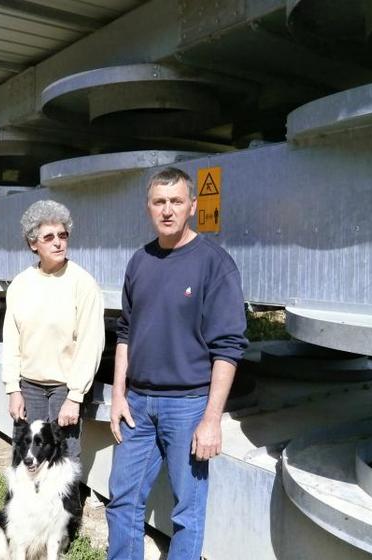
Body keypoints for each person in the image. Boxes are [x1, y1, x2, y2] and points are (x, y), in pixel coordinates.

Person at [106, 167, 248, 559]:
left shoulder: (214, 264)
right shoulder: (139, 262)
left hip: (188, 407)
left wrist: (211, 419)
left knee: (187, 512)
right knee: (122, 502)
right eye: (159, 202)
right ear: (148, 207)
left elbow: (229, 347)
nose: (167, 210)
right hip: (137, 406)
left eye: (176, 201)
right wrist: (118, 396)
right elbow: (125, 334)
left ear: (192, 207)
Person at [2, 199, 105, 460]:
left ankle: (68, 503)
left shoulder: (83, 283)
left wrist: (75, 396)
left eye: (63, 235)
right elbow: (12, 340)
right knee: (28, 455)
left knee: (65, 459)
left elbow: (90, 343)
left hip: (64, 387)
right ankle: (28, 503)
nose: (58, 242)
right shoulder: (20, 285)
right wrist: (13, 389)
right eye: (49, 237)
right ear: (33, 243)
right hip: (30, 386)